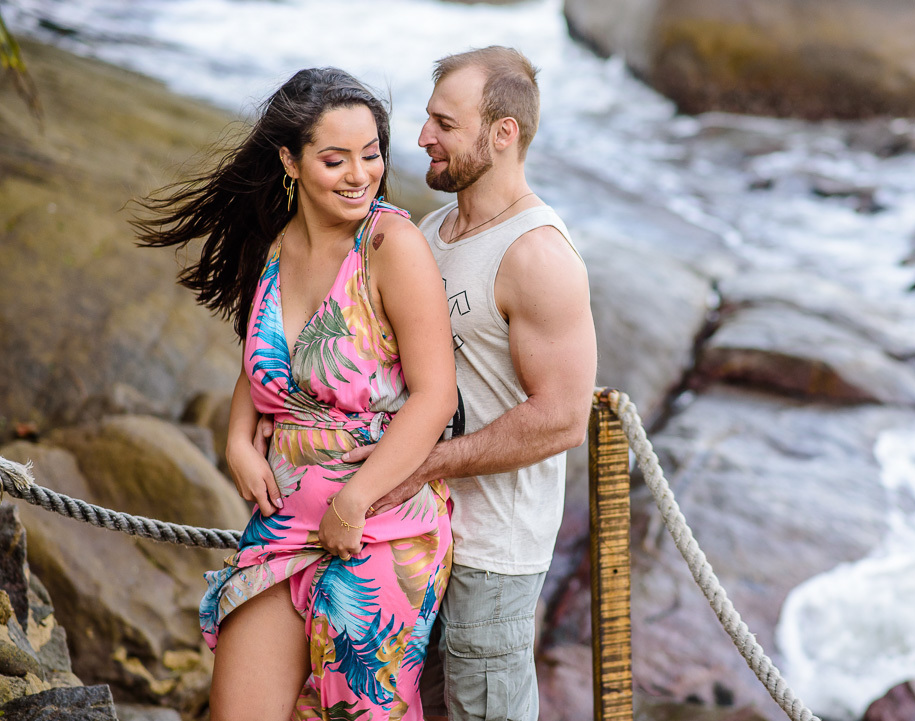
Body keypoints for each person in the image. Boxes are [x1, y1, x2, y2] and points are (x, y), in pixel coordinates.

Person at [134, 68, 459, 721]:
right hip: (282, 527)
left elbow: (436, 397)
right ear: (290, 160)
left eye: (371, 155)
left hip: (376, 528)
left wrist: (354, 501)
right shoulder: (277, 244)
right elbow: (268, 367)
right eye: (335, 160)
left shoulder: (391, 246)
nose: (360, 175)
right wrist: (236, 439)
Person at [329, 46, 597, 720]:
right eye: (428, 119)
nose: (422, 136)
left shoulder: (537, 255)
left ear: (502, 133)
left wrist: (428, 463)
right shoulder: (431, 231)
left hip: (491, 555)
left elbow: (564, 417)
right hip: (414, 537)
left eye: (444, 124)